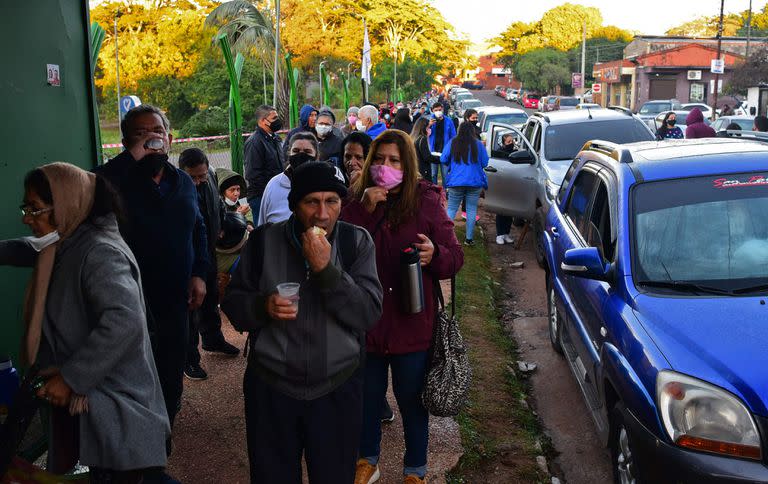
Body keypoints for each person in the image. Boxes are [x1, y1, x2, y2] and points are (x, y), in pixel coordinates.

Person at [1, 163, 169, 483]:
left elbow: (124, 320)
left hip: (117, 407)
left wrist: (71, 378)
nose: (26, 218)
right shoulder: (65, 240)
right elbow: (28, 249)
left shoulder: (99, 251)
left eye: (34, 209)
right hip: (97, 404)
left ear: (65, 204)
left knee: (129, 477)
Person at [221, 161, 383, 484]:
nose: (322, 213)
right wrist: (263, 305)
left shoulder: (355, 243)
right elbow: (234, 304)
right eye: (312, 202)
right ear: (294, 205)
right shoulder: (264, 242)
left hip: (336, 387)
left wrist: (327, 271)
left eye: (332, 201)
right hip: (271, 388)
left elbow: (368, 313)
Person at [341, 130, 464, 484]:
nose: (385, 167)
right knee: (367, 399)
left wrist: (435, 255)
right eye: (378, 159)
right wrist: (364, 209)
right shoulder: (356, 201)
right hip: (369, 323)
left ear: (407, 166)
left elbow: (455, 257)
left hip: (413, 324)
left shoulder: (426, 201)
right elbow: (342, 250)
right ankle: (367, 460)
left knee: (412, 402)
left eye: (394, 160)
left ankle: (415, 470)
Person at [95, 105, 208, 439]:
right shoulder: (114, 181)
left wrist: (200, 272)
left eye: (156, 132)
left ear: (169, 138)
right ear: (127, 142)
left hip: (175, 301)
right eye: (140, 134)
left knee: (170, 376)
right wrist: (131, 157)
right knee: (131, 380)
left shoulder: (183, 181)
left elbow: (198, 229)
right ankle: (133, 452)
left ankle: (160, 445)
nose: (151, 139)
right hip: (128, 302)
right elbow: (88, 188)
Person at [178, 149, 239, 382]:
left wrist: (221, 222)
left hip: (209, 250)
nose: (198, 181)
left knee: (211, 297)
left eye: (201, 176)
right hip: (187, 256)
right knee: (191, 307)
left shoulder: (211, 175)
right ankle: (189, 360)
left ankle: (213, 340)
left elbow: (218, 204)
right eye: (193, 177)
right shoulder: (174, 185)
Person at [441, 121, 489, 246]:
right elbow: (485, 162)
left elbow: (443, 158)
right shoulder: (478, 144)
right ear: (472, 131)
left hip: (456, 180)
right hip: (475, 181)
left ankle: (446, 238)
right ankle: (469, 239)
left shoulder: (453, 142)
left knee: (451, 208)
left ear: (459, 130)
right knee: (471, 209)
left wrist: (452, 164)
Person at [258, 131, 320, 225]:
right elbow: (262, 225)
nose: (301, 155)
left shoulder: (324, 184)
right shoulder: (274, 184)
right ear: (289, 152)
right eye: (296, 151)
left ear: (316, 155)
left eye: (307, 151)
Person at [244, 104, 285, 224]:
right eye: (274, 119)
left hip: (276, 194)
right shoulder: (254, 142)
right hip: (261, 196)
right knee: (262, 232)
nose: (277, 121)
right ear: (263, 121)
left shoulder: (275, 138)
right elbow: (253, 174)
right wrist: (271, 191)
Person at [427, 102, 457, 184]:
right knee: (433, 174)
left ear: (443, 109)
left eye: (440, 110)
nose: (438, 112)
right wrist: (429, 125)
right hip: (433, 152)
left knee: (445, 174)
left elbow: (453, 136)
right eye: (436, 110)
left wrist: (451, 149)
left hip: (445, 152)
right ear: (432, 110)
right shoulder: (429, 121)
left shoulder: (449, 121)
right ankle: (434, 192)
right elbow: (423, 134)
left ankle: (445, 193)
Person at [410, 117, 440, 181]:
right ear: (424, 127)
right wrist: (440, 159)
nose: (429, 129)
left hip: (415, 169)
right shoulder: (422, 138)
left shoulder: (413, 138)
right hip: (423, 170)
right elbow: (427, 156)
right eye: (428, 127)